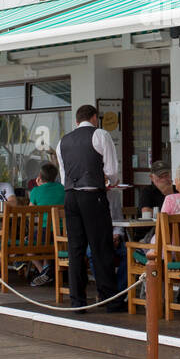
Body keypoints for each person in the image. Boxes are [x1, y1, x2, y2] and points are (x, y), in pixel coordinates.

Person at [55, 105, 124, 312]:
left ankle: (77, 301)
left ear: (77, 121)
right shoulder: (100, 134)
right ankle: (109, 300)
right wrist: (110, 181)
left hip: (70, 196)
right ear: (95, 118)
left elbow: (64, 176)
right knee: (100, 247)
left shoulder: (62, 141)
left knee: (75, 249)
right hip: (93, 195)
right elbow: (111, 170)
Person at [27, 163, 64, 286]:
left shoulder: (36, 191)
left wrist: (38, 187)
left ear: (40, 177)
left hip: (43, 234)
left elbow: (30, 212)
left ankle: (42, 270)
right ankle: (46, 270)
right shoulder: (63, 189)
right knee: (44, 242)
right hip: (62, 233)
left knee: (27, 245)